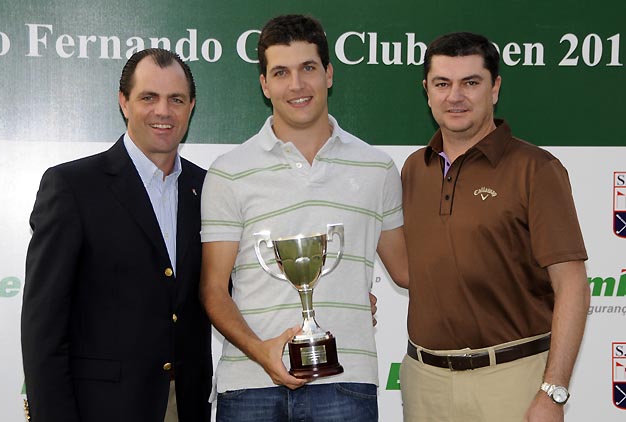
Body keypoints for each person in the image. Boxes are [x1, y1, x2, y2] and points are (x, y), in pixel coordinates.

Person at [199, 14, 408, 421]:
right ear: (264, 84)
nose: (296, 85)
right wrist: (262, 352)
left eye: (308, 68)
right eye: (281, 72)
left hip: (345, 381)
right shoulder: (229, 172)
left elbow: (406, 270)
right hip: (249, 386)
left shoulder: (377, 168)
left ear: (328, 74)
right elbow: (212, 290)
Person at [399, 32, 590, 422]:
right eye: (442, 84)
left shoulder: (536, 170)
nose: (455, 96)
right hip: (425, 382)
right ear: (427, 91)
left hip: (513, 380)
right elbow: (408, 271)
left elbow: (572, 285)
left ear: (495, 88)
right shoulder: (415, 170)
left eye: (470, 82)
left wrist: (552, 393)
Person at [21, 48, 212, 422]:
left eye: (176, 99)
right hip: (100, 408)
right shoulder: (72, 187)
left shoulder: (207, 189)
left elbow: (228, 288)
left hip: (186, 405)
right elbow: (43, 327)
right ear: (124, 102)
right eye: (148, 98)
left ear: (191, 107)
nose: (163, 111)